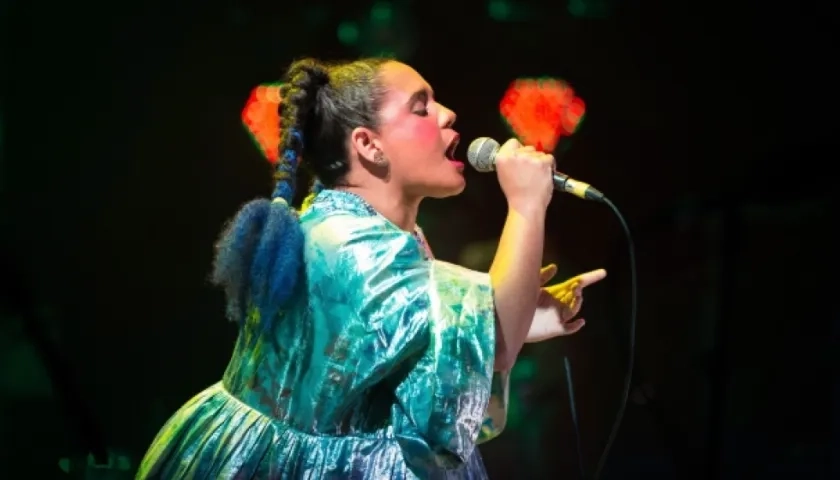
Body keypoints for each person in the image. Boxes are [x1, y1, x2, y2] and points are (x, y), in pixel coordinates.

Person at [136, 57, 606, 479]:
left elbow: (405, 351)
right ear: (368, 144)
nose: (448, 115)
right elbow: (495, 343)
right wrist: (526, 205)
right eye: (421, 108)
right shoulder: (349, 244)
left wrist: (522, 317)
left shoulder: (368, 229)